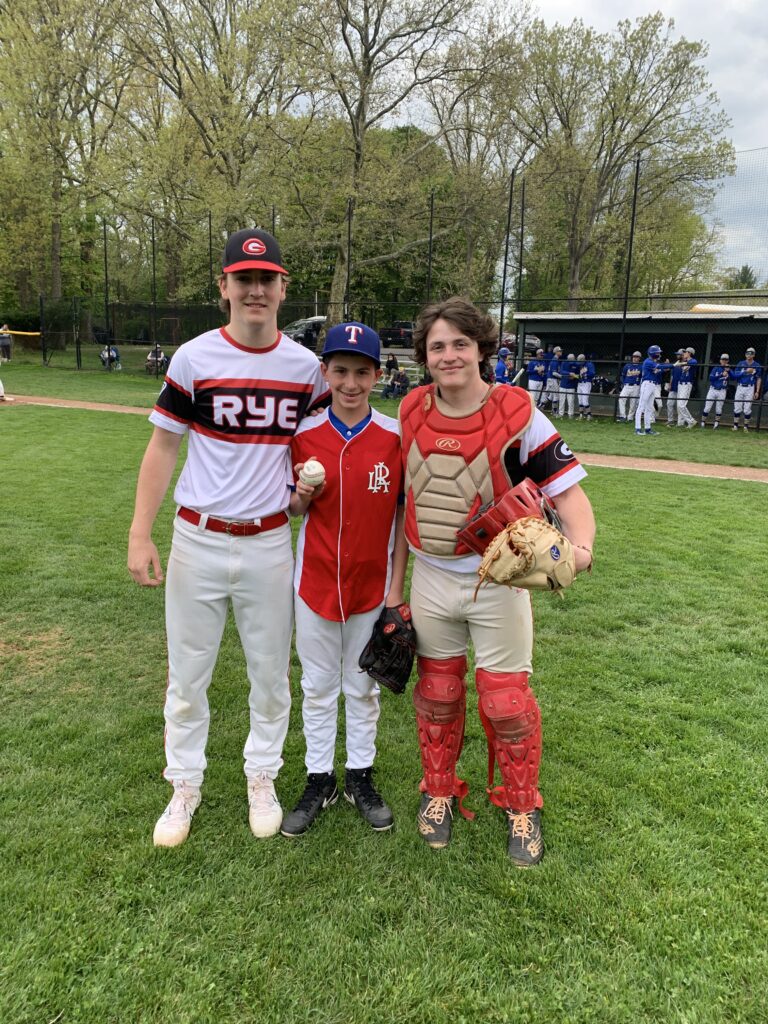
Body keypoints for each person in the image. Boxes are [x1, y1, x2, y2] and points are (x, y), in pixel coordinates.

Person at [127, 228, 329, 848]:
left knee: (270, 674)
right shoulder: (194, 358)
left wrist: (305, 492)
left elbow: (313, 455)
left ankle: (261, 775)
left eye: (267, 279)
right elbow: (163, 445)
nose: (256, 289)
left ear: (283, 288)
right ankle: (184, 783)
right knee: (188, 674)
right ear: (224, 287)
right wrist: (140, 532)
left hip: (270, 540)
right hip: (199, 539)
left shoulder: (305, 368)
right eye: (244, 279)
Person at [398, 297, 595, 867]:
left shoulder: (518, 412)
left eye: (461, 343)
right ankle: (438, 790)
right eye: (438, 346)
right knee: (438, 692)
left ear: (482, 347)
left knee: (506, 701)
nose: (449, 355)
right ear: (425, 356)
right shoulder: (411, 408)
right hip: (431, 574)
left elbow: (568, 492)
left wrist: (580, 551)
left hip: (499, 581)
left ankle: (521, 804)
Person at [281, 322, 408, 837]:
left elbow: (403, 522)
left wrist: (396, 591)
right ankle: (320, 778)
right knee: (317, 687)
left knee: (362, 688)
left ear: (377, 374)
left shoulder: (395, 437)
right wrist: (304, 494)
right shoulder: (305, 435)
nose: (350, 382)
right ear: (325, 372)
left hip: (371, 586)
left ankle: (359, 774)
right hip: (313, 582)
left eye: (361, 372)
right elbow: (292, 509)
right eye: (340, 371)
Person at [635, 345, 673, 435]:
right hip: (646, 384)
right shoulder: (648, 362)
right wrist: (673, 365)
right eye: (657, 353)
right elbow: (659, 366)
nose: (659, 354)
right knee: (641, 406)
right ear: (652, 353)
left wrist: (670, 367)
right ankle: (637, 429)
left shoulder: (652, 362)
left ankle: (648, 429)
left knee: (649, 408)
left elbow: (659, 370)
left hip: (653, 385)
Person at [732, 347, 762, 431]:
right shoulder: (741, 363)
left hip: (750, 387)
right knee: (737, 406)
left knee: (747, 408)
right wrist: (745, 371)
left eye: (751, 353)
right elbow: (735, 375)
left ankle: (745, 427)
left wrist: (757, 391)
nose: (749, 355)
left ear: (754, 355)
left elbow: (758, 378)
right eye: (747, 353)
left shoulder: (757, 365)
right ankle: (735, 426)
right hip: (740, 386)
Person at [700, 354, 733, 429]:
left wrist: (729, 371)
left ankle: (716, 423)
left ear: (728, 361)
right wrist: (721, 375)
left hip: (722, 390)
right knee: (707, 407)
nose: (724, 361)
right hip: (713, 389)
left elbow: (734, 377)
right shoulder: (716, 368)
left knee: (719, 408)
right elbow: (711, 378)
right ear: (720, 360)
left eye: (726, 360)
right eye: (723, 360)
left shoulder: (728, 369)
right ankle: (703, 422)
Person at [675, 347, 697, 428]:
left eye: (685, 352)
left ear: (690, 353)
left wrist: (682, 363)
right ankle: (680, 423)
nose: (684, 354)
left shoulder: (693, 361)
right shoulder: (684, 361)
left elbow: (692, 363)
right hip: (680, 384)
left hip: (687, 385)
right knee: (678, 405)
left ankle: (691, 421)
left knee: (681, 405)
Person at [617, 351, 642, 422]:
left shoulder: (641, 366)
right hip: (627, 386)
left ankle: (630, 418)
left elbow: (642, 377)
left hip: (636, 386)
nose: (634, 358)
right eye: (634, 356)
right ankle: (623, 416)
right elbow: (623, 375)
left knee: (633, 402)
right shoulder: (627, 365)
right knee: (621, 399)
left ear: (639, 358)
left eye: (636, 357)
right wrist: (624, 382)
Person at [665, 349, 685, 426]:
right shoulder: (676, 364)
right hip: (673, 387)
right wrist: (670, 384)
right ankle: (670, 420)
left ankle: (680, 422)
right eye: (677, 354)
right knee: (669, 404)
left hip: (681, 387)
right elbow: (672, 376)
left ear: (683, 355)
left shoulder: (685, 364)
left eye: (679, 354)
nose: (677, 355)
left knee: (679, 406)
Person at [556, 353, 579, 418]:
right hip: (563, 385)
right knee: (561, 400)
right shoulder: (564, 363)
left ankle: (570, 414)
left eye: (573, 359)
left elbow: (578, 375)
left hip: (571, 386)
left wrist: (574, 377)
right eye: (570, 359)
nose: (572, 360)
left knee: (571, 401)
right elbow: (561, 371)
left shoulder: (576, 364)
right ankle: (561, 414)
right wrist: (569, 373)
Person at [541, 345, 562, 410]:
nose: (561, 352)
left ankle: (541, 405)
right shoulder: (555, 360)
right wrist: (562, 376)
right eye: (560, 351)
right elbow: (554, 373)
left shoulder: (555, 359)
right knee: (556, 395)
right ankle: (554, 411)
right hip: (552, 379)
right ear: (556, 352)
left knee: (551, 396)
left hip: (551, 379)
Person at [576, 354, 595, 419]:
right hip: (580, 383)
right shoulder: (580, 365)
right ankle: (581, 415)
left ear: (583, 360)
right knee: (580, 400)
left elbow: (592, 373)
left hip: (586, 383)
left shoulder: (589, 364)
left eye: (580, 361)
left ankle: (589, 415)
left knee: (585, 401)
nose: (579, 363)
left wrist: (584, 375)